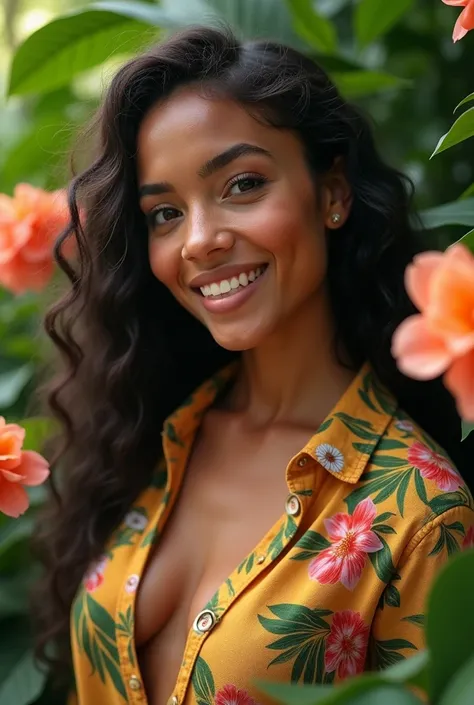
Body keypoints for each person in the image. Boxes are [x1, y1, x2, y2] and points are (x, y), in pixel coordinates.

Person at [35, 25, 474, 705]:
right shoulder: (151, 431)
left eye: (241, 184)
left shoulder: (420, 513)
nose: (201, 240)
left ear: (332, 193)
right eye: (164, 214)